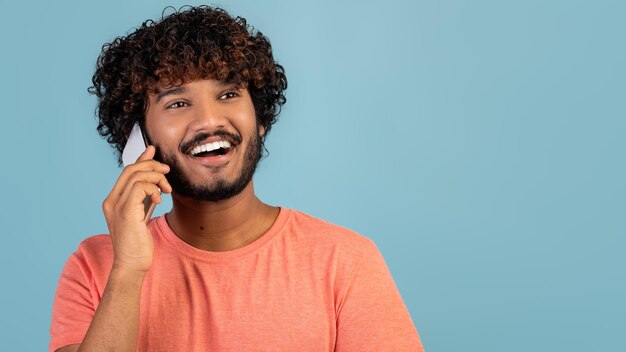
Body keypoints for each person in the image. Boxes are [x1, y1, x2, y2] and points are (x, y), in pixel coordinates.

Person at [49, 5, 424, 352]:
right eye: (178, 103)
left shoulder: (346, 261)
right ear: (139, 138)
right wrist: (128, 270)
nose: (210, 120)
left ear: (260, 119)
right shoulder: (96, 267)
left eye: (228, 94)